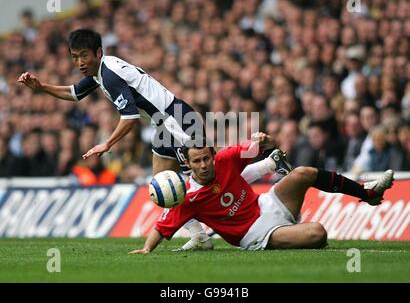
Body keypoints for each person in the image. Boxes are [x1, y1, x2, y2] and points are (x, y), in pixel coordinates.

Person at [17, 28, 209, 249]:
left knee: (203, 182)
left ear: (98, 52)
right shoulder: (101, 71)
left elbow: (130, 117)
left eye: (84, 55)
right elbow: (74, 93)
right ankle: (200, 236)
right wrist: (41, 88)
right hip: (164, 125)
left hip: (177, 121)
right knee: (161, 187)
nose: (80, 62)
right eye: (75, 56)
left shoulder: (109, 76)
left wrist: (107, 143)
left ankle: (240, 222)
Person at [129, 133, 394, 254]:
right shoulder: (188, 198)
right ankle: (294, 236)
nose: (203, 165)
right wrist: (146, 248)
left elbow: (260, 145)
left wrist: (264, 141)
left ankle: (368, 193)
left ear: (213, 154)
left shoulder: (226, 159)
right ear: (188, 164)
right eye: (197, 161)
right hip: (255, 234)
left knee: (303, 173)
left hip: (268, 204)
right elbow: (163, 226)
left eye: (206, 158)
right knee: (317, 233)